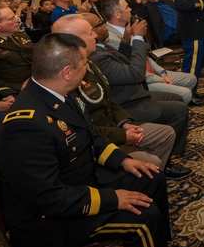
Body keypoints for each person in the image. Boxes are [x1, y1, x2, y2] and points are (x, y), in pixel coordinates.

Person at [0, 33, 188, 247]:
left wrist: (123, 161)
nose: (89, 66)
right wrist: (112, 199)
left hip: (77, 189)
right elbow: (48, 199)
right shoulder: (25, 125)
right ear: (67, 71)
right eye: (84, 62)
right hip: (50, 224)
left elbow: (90, 138)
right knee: (141, 217)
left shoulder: (57, 95)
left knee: (151, 176)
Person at [51, 15, 187, 178]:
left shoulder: (91, 60)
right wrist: (136, 38)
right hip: (107, 130)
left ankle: (160, 170)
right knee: (177, 110)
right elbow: (135, 74)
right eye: (91, 32)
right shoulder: (69, 75)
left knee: (170, 123)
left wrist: (124, 123)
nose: (96, 34)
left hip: (119, 115)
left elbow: (110, 99)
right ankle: (152, 175)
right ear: (74, 40)